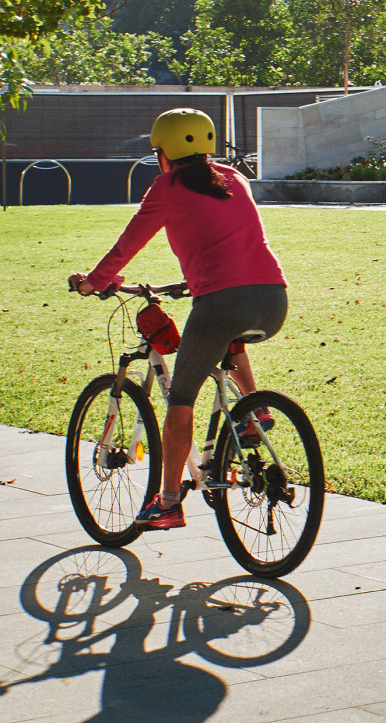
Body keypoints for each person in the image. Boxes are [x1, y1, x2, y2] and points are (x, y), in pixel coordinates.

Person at [69, 109, 287, 530]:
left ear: (164, 153)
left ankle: (168, 501)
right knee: (227, 339)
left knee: (180, 399)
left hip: (223, 302)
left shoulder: (167, 187)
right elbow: (229, 237)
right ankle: (254, 412)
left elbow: (128, 243)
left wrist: (95, 283)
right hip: (273, 298)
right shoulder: (234, 178)